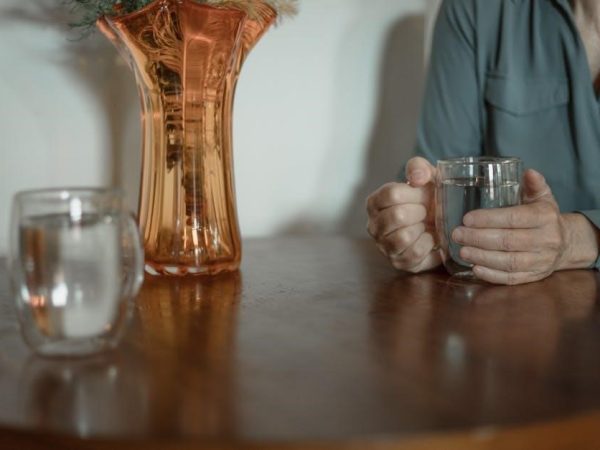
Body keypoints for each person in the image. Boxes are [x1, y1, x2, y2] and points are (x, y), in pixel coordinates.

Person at [366, 0, 600, 285]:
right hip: (502, 297)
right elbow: (437, 178)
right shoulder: (474, 8)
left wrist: (576, 238)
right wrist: (414, 222)